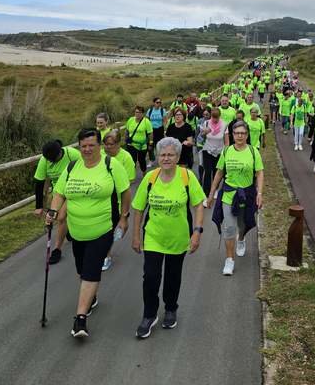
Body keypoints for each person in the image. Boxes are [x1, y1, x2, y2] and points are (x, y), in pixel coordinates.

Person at [46, 128, 131, 338]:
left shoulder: (111, 165)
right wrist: (53, 211)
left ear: (99, 146)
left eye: (91, 145)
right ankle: (91, 297)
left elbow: (125, 193)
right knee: (81, 269)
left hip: (102, 228)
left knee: (91, 268)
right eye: (83, 146)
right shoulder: (72, 167)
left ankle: (80, 319)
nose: (87, 149)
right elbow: (59, 193)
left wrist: (123, 217)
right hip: (76, 230)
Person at [132, 137, 205, 338]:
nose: (166, 158)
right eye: (162, 155)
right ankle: (149, 314)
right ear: (157, 156)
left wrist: (197, 232)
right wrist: (136, 236)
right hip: (153, 237)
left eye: (170, 155)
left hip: (178, 237)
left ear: (178, 157)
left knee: (173, 276)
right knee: (151, 277)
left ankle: (171, 308)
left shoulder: (186, 177)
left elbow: (199, 205)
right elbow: (138, 209)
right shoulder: (150, 178)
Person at [208, 120, 264, 276]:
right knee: (230, 227)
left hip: (246, 195)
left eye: (243, 133)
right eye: (237, 133)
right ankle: (229, 260)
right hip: (228, 195)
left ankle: (241, 239)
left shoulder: (253, 152)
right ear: (232, 135)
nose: (240, 136)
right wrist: (212, 193)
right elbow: (219, 172)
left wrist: (260, 193)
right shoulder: (227, 151)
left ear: (247, 135)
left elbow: (259, 173)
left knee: (243, 224)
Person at [33, 139, 81, 264]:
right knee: (58, 217)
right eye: (50, 160)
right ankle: (69, 230)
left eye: (54, 159)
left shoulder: (73, 154)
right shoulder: (45, 159)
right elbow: (39, 182)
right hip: (58, 193)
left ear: (60, 152)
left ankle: (57, 249)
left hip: (74, 190)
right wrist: (38, 206)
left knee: (60, 218)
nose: (51, 162)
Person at [101, 129, 136, 271]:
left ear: (118, 143)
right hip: (102, 199)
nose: (108, 147)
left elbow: (129, 182)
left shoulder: (126, 157)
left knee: (110, 229)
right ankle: (105, 253)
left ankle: (106, 256)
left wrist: (125, 215)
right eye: (105, 144)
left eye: (111, 144)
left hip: (118, 200)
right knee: (104, 229)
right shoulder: (101, 155)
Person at [201, 107, 229, 201]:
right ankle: (206, 194)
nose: (215, 119)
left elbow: (226, 141)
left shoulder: (224, 125)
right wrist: (204, 132)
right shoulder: (206, 123)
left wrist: (225, 153)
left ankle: (215, 189)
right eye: (213, 117)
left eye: (216, 117)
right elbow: (201, 136)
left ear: (219, 116)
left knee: (217, 172)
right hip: (207, 150)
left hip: (219, 151)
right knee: (208, 171)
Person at [125, 106, 154, 175]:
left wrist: (150, 144)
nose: (137, 114)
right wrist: (126, 138)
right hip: (131, 145)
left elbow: (150, 134)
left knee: (142, 161)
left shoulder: (146, 122)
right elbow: (127, 130)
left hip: (142, 145)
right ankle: (131, 175)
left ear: (142, 113)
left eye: (139, 112)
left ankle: (144, 172)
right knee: (132, 161)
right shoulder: (131, 120)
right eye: (136, 112)